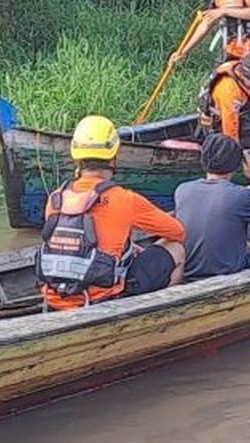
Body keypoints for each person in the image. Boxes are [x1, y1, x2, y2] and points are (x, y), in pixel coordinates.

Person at [37, 115, 187, 310]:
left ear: (77, 159)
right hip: (103, 299)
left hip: (56, 298)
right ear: (114, 158)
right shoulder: (124, 199)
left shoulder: (56, 198)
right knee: (177, 248)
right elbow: (178, 232)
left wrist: (129, 248)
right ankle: (160, 314)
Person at [174, 134, 250, 280]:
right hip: (229, 272)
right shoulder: (240, 196)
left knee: (245, 228)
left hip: (191, 271)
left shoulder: (182, 190)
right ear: (236, 165)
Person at [197, 52, 250, 147]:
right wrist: (233, 148)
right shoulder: (229, 89)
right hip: (220, 123)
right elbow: (230, 125)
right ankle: (226, 146)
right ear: (242, 74)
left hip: (243, 116)